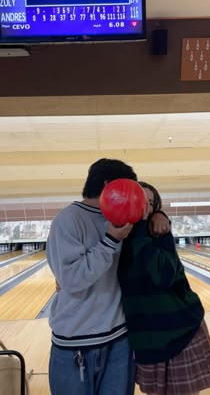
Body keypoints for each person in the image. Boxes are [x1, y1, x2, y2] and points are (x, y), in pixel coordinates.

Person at [46, 159, 170, 395]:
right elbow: (72, 281)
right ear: (109, 185)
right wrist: (110, 240)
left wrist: (159, 215)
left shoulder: (125, 219)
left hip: (118, 341)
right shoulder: (68, 220)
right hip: (75, 345)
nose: (134, 197)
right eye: (130, 188)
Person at [118, 182, 210, 395]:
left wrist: (144, 226)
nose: (144, 207)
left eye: (150, 203)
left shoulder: (158, 233)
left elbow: (163, 277)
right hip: (147, 338)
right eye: (139, 201)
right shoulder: (117, 236)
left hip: (180, 331)